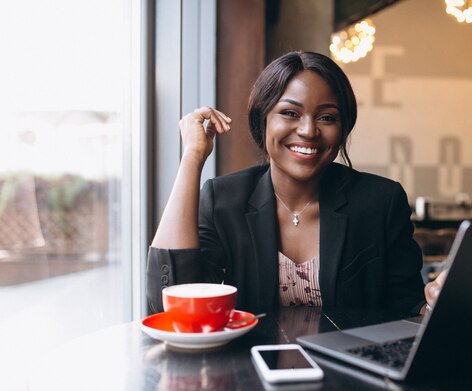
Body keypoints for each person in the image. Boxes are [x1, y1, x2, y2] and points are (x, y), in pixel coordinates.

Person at [147, 51, 436, 316]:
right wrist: (192, 157)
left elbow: (408, 307)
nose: (309, 130)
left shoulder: (381, 202)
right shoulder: (223, 200)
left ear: (343, 129)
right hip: (249, 369)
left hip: (350, 371)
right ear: (263, 120)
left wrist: (438, 301)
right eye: (290, 113)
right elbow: (169, 300)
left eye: (327, 117)